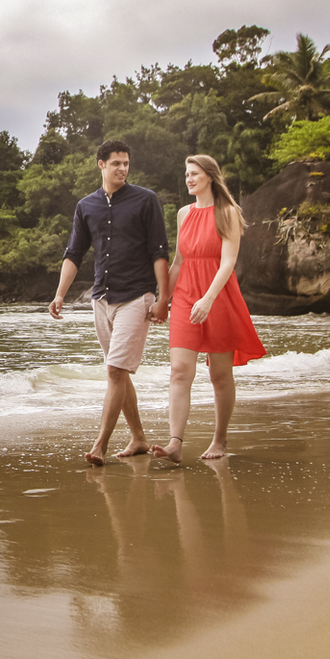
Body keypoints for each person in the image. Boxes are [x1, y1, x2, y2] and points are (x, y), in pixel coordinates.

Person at [49, 140, 171, 466]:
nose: (122, 168)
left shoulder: (146, 200)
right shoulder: (86, 206)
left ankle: (100, 444)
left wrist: (163, 297)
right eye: (116, 163)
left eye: (126, 163)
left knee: (115, 369)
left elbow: (160, 252)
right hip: (101, 299)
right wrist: (61, 294)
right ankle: (139, 438)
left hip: (137, 296)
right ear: (100, 164)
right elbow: (74, 253)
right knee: (119, 372)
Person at [152, 155, 266, 464]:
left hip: (218, 296)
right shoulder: (183, 213)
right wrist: (164, 299)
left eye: (194, 174)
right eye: (187, 174)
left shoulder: (227, 212)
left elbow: (228, 262)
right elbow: (178, 262)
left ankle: (220, 438)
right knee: (179, 371)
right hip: (187, 296)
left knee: (219, 374)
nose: (189, 179)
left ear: (210, 177)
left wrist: (209, 299)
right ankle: (175, 443)